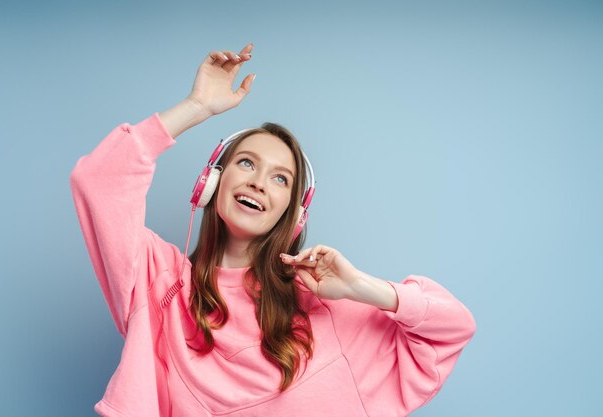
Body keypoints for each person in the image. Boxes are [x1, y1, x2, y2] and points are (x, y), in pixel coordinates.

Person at [70, 43, 476, 417]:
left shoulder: (321, 306)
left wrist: (361, 288)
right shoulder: (160, 285)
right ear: (212, 181)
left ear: (292, 213)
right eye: (246, 163)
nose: (259, 183)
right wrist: (196, 106)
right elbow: (99, 182)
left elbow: (452, 328)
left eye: (280, 179)